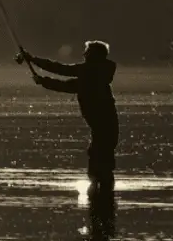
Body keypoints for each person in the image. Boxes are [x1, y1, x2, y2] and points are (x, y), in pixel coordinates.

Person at [16, 41, 120, 190]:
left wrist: (35, 66)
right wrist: (41, 75)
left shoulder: (91, 72)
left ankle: (100, 187)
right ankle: (102, 188)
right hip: (105, 120)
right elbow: (67, 81)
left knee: (99, 151)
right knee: (101, 151)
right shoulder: (96, 73)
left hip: (102, 120)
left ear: (95, 55)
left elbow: (62, 73)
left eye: (87, 51)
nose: (84, 54)